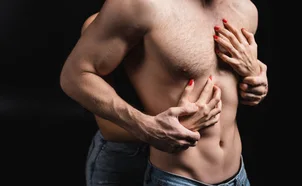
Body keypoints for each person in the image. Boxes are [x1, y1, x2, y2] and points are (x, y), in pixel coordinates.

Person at [60, 0, 268, 185]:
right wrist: (149, 128)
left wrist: (255, 78)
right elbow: (79, 81)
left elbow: (225, 82)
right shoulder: (135, 8)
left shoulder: (245, 9)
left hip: (237, 174)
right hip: (160, 168)